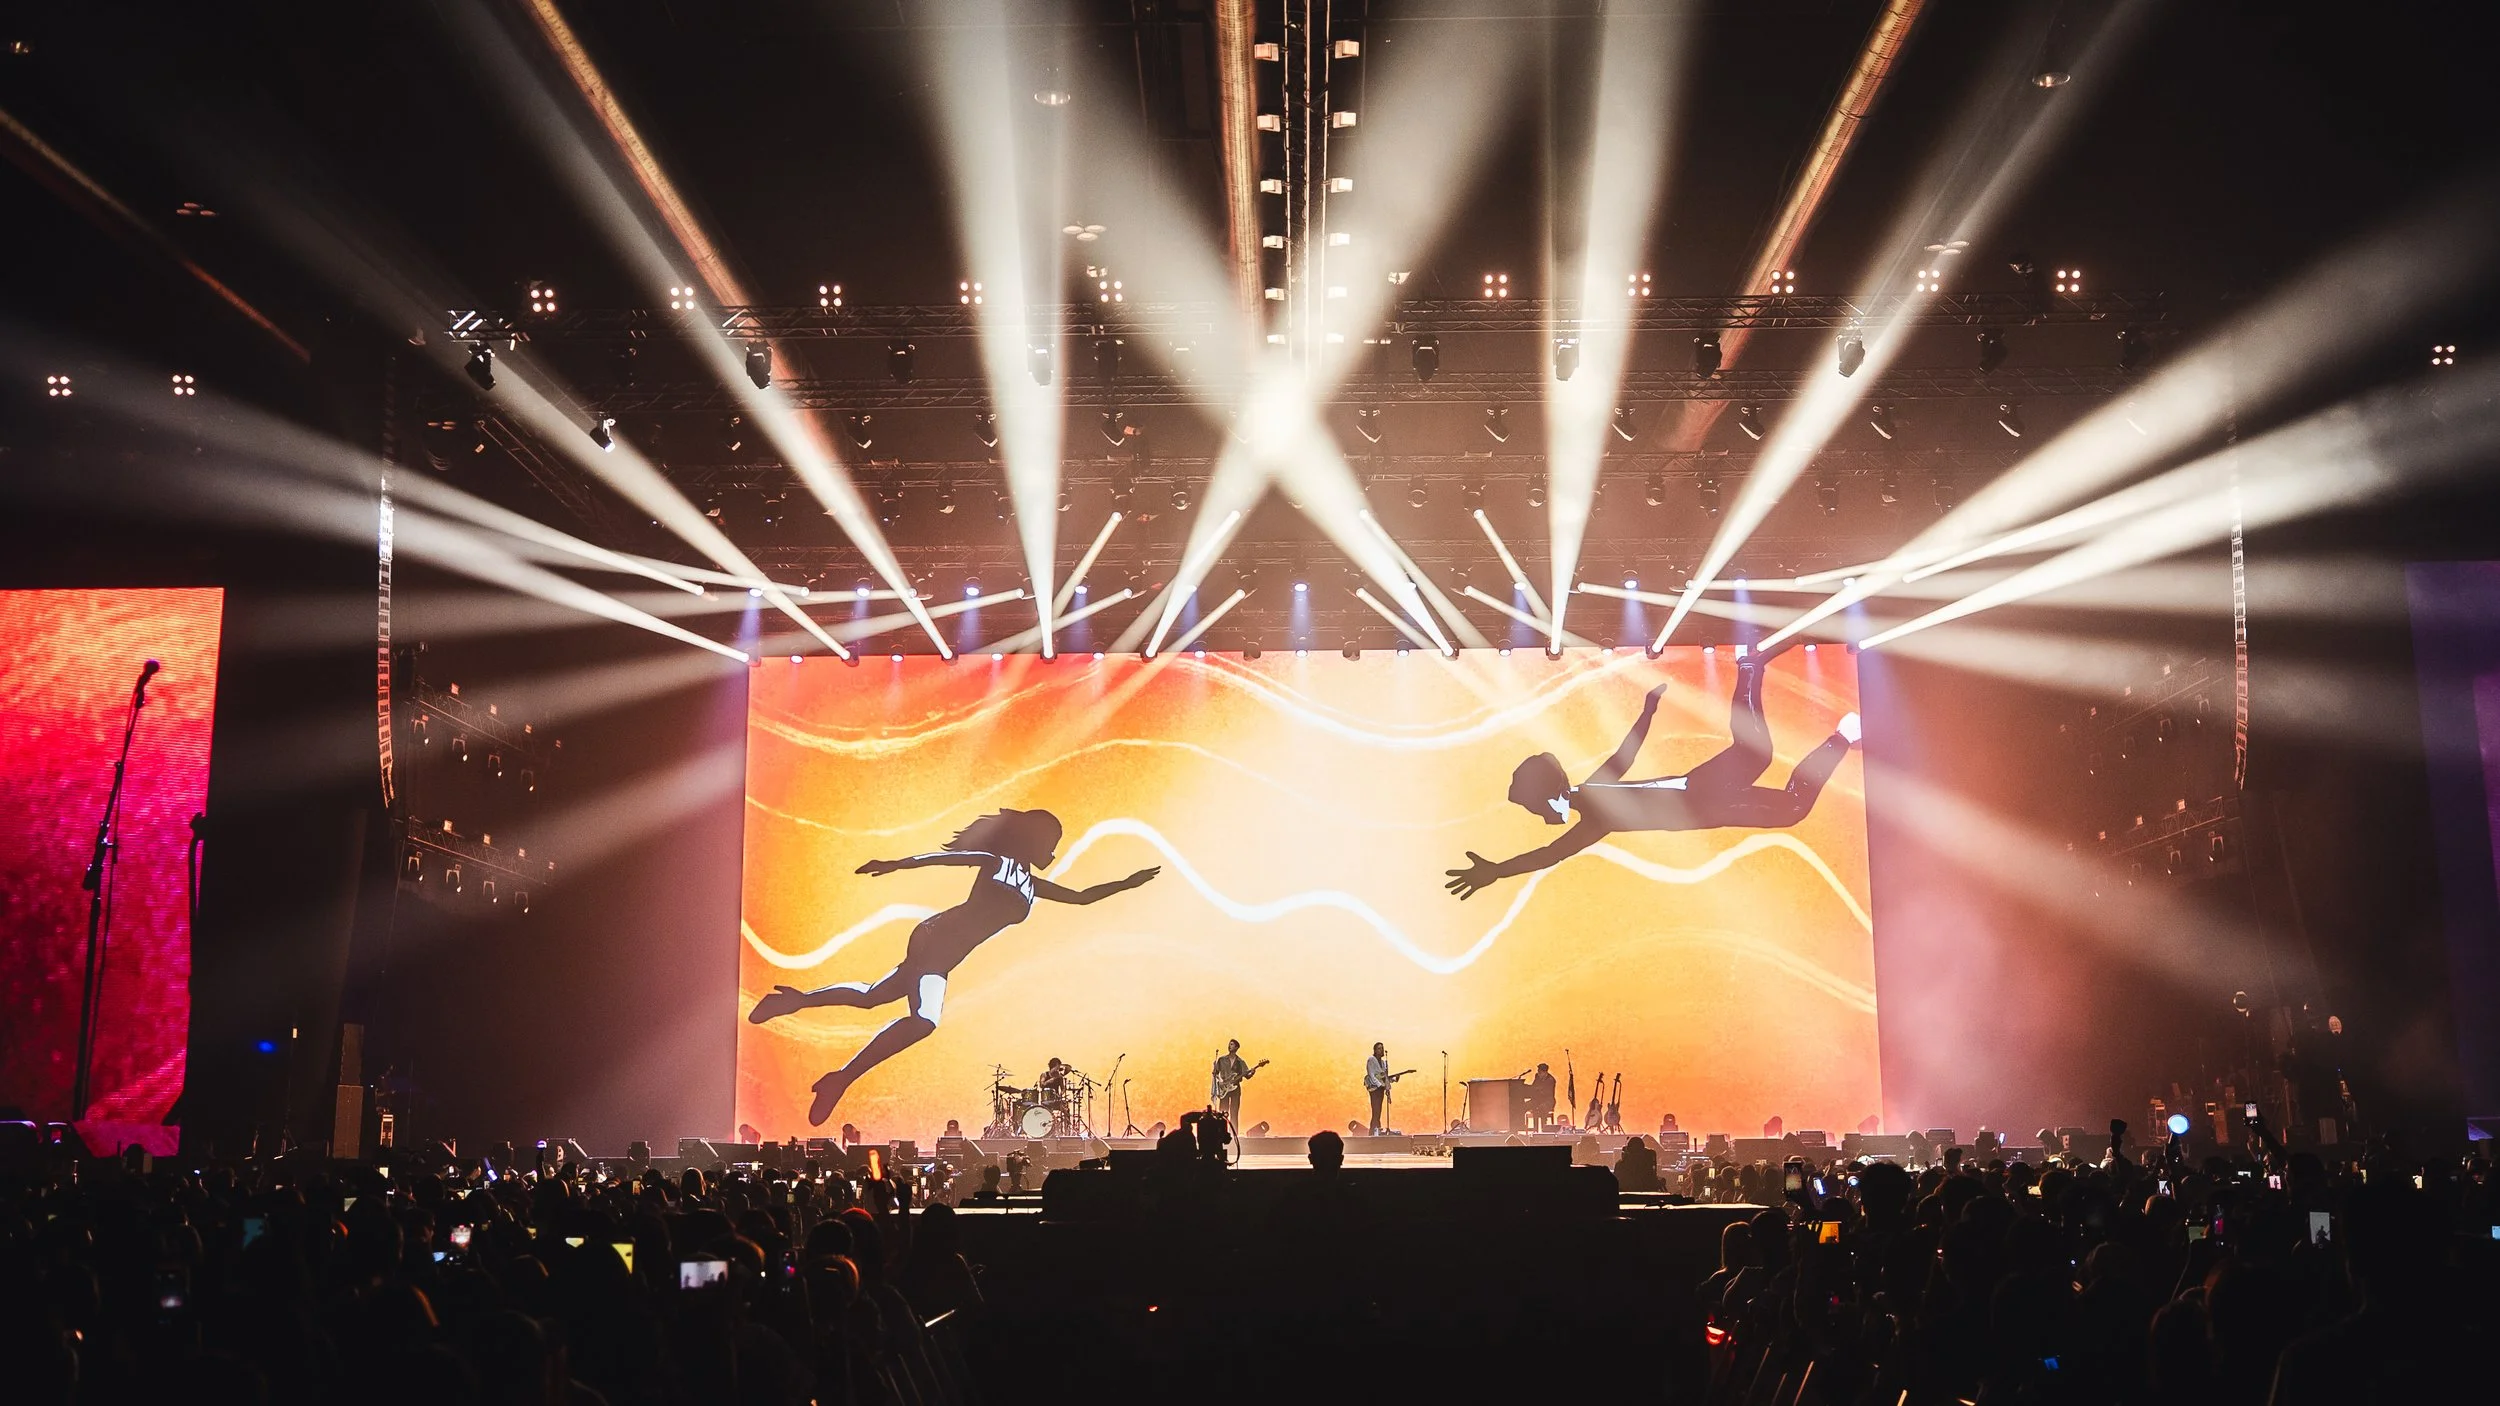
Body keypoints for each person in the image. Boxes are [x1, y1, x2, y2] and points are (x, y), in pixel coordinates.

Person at [747, 808, 1160, 1124]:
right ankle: (841, 1077)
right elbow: (940, 860)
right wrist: (894, 864)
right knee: (924, 1020)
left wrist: (1127, 883)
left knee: (875, 997)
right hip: (938, 937)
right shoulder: (997, 861)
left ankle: (797, 1001)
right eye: (1051, 839)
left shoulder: (1033, 885)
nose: (1054, 848)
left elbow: (1083, 896)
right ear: (1031, 838)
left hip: (947, 951)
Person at [1445, 662, 1860, 899]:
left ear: (1549, 798)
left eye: (1535, 807)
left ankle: (1837, 731)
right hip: (1697, 789)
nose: (1539, 815)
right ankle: (1757, 673)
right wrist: (1646, 712)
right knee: (1765, 765)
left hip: (1703, 802)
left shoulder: (1594, 812)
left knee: (1789, 804)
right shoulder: (1591, 793)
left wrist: (1498, 871)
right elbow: (1624, 755)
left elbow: (1548, 855)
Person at [1209, 1039, 1263, 1129]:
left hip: (1235, 1088)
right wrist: (1219, 1082)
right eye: (1229, 1044)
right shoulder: (1221, 1060)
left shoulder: (1240, 1062)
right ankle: (1222, 1132)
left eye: (1232, 1045)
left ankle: (1234, 1134)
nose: (1230, 1046)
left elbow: (1247, 1076)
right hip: (1224, 1088)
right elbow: (1215, 1074)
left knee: (1234, 1112)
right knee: (1222, 1112)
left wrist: (1252, 1072)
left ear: (1237, 1047)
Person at [1364, 1043, 1393, 1135]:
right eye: (1379, 1048)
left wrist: (1392, 1080)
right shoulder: (1371, 1060)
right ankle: (1372, 1131)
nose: (1381, 1050)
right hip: (1374, 1088)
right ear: (1375, 1050)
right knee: (1375, 1110)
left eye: (1382, 1048)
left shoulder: (1383, 1063)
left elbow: (1383, 1077)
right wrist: (1379, 1084)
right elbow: (1371, 1074)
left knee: (1378, 1110)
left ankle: (1376, 1129)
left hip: (1381, 1089)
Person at [1528, 1063, 1558, 1132]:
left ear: (1545, 1072)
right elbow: (1533, 1087)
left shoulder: (1551, 1080)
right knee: (1527, 1105)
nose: (1538, 1073)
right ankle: (1534, 1130)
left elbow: (1546, 1092)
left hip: (1548, 1101)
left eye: (1540, 1072)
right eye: (1538, 1071)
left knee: (1541, 1108)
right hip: (1538, 1100)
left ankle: (1544, 1130)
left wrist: (1537, 1090)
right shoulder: (1537, 1076)